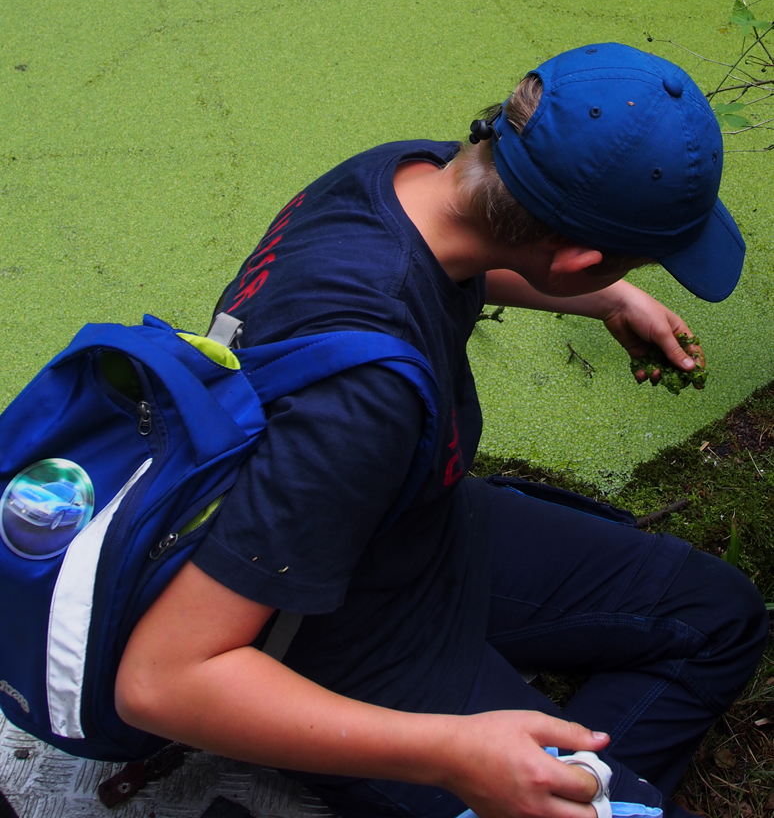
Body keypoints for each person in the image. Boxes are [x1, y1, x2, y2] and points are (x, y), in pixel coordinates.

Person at [115, 44, 769, 818]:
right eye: (638, 263)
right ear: (572, 255)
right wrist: (454, 755)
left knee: (717, 617)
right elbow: (160, 681)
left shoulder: (407, 174)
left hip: (417, 531)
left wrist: (607, 297)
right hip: (343, 648)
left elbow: (464, 258)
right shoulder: (361, 398)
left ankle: (555, 782)